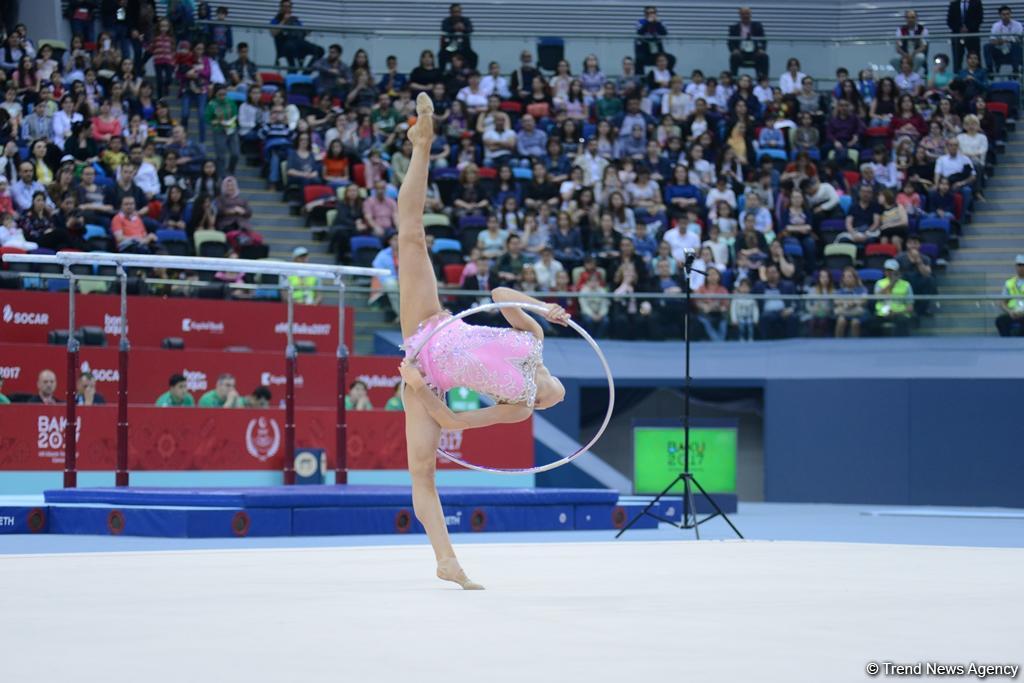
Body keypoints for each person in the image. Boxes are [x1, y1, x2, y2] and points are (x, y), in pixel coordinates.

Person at [395, 94, 568, 590]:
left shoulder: (520, 407)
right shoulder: (533, 339)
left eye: (548, 405)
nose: (551, 401)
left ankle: (446, 560)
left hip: (425, 370)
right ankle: (421, 144)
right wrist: (542, 307)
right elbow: (498, 293)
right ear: (554, 379)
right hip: (438, 321)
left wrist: (415, 382)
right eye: (554, 393)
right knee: (412, 237)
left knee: (422, 473)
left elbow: (452, 420)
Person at [874, 259, 915, 335]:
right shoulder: (879, 283)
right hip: (882, 313)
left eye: (892, 270)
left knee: (902, 321)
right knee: (871, 323)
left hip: (900, 314)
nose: (889, 272)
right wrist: (892, 283)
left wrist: (896, 313)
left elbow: (910, 307)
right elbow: (877, 297)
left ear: (897, 271)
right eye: (887, 270)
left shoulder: (906, 284)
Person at [728, 7, 769, 79]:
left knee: (764, 56)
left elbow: (764, 40)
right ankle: (733, 81)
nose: (745, 16)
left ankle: (763, 80)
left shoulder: (757, 26)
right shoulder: (734, 27)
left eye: (747, 14)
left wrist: (762, 49)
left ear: (750, 15)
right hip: (741, 53)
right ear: (740, 15)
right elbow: (730, 42)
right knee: (734, 56)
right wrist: (734, 50)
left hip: (755, 53)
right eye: (743, 14)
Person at [947, 0, 985, 70]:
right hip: (957, 36)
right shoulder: (954, 4)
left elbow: (979, 19)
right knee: (957, 58)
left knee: (975, 56)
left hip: (972, 35)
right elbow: (949, 21)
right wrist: (959, 28)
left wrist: (968, 28)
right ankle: (957, 76)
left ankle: (978, 75)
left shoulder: (976, 3)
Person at [985, 5, 1023, 74]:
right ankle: (990, 69)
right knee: (987, 46)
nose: (1006, 16)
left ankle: (1015, 70)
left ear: (1011, 14)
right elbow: (992, 40)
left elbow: (1019, 39)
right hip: (1000, 51)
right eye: (1004, 14)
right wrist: (1007, 40)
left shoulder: (1018, 25)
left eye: (1008, 14)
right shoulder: (996, 25)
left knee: (1015, 45)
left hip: (1013, 51)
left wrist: (1003, 41)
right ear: (1000, 15)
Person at [892, 10, 930, 74]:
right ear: (905, 19)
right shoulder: (900, 30)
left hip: (916, 53)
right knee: (894, 59)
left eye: (912, 17)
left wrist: (913, 54)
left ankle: (912, 74)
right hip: (904, 54)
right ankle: (903, 75)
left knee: (920, 57)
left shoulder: (923, 30)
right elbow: (897, 47)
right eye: (908, 17)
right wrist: (905, 55)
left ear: (916, 18)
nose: (910, 20)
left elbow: (923, 47)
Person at [995, 254, 1024, 336]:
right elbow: (1002, 302)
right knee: (1000, 321)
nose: (1021, 267)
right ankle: (1006, 342)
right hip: (1013, 313)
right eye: (1019, 265)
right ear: (1015, 266)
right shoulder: (1009, 283)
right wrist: (1010, 312)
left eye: (1023, 265)